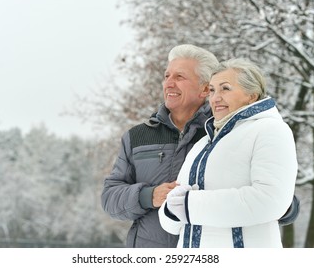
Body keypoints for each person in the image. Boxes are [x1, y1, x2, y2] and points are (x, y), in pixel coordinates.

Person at [159, 58, 299, 248]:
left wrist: (189, 205)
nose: (215, 98)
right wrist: (170, 211)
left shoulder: (271, 130)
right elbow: (173, 221)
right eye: (212, 90)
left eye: (225, 88)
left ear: (251, 95)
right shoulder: (203, 144)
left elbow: (270, 201)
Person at [101, 44, 219, 247]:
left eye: (179, 77)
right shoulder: (137, 137)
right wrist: (148, 196)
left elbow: (267, 196)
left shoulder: (224, 134)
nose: (169, 84)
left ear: (205, 89)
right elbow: (110, 199)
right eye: (167, 76)